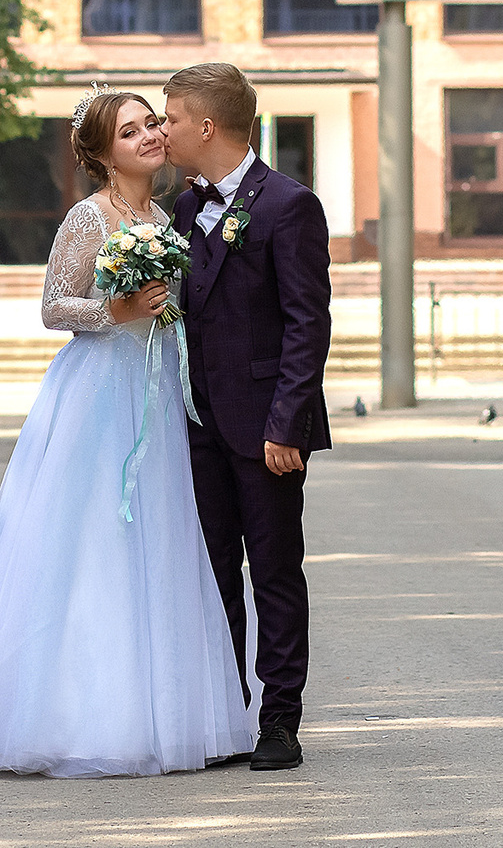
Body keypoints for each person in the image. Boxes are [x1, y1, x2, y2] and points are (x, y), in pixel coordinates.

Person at [0, 89, 255, 777]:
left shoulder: (165, 215)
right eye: (129, 131)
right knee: (93, 541)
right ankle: (76, 714)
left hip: (157, 389)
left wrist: (163, 316)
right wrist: (119, 307)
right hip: (99, 393)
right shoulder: (89, 215)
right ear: (103, 152)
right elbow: (54, 305)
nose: (147, 137)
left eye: (149, 124)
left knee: (160, 541)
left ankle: (164, 710)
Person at [161, 61, 333, 773]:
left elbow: (307, 323)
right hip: (195, 422)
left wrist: (286, 423)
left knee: (274, 572)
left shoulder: (288, 205)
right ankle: (225, 712)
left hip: (267, 431)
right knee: (210, 574)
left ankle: (279, 720)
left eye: (170, 118)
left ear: (206, 126)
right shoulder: (178, 210)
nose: (163, 130)